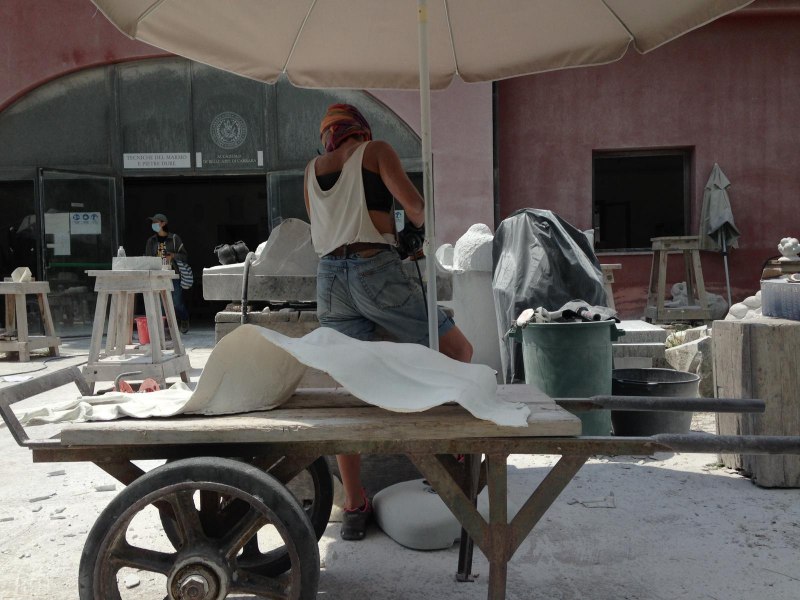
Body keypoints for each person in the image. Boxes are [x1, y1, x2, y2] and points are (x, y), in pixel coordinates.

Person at [304, 103, 473, 541]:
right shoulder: (375, 150)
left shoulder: (310, 171)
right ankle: (452, 453)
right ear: (360, 130)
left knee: (350, 389)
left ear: (328, 137)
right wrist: (412, 231)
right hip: (373, 270)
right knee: (459, 350)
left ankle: (354, 504)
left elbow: (327, 226)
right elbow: (416, 208)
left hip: (329, 279)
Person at [145, 213, 190, 334]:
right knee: (161, 304)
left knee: (176, 302)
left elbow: (184, 256)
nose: (153, 225)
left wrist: (173, 256)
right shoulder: (151, 241)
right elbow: (147, 259)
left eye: (156, 222)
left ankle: (184, 319)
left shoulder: (174, 239)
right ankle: (166, 328)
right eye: (153, 223)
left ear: (163, 223)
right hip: (157, 276)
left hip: (173, 274)